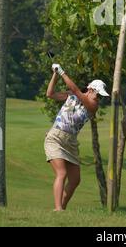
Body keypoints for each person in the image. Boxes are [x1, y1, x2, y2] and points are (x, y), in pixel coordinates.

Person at [44, 63, 109, 211]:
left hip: (71, 142)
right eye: (98, 94)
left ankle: (63, 208)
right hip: (56, 138)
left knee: (75, 180)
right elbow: (50, 94)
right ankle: (58, 209)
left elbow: (75, 90)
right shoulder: (71, 96)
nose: (99, 98)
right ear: (91, 89)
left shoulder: (92, 105)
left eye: (100, 96)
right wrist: (55, 73)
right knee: (62, 173)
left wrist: (62, 71)